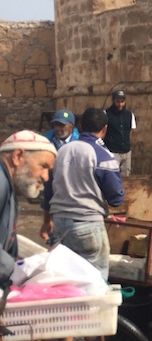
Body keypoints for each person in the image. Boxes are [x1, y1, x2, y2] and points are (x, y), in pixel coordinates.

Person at [41, 108, 124, 281]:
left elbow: (48, 191)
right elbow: (116, 199)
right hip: (87, 224)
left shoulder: (61, 152)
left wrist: (46, 220)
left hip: (60, 223)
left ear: (79, 126)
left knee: (66, 277)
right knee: (95, 280)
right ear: (104, 128)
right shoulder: (103, 156)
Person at [0, 131, 57, 291]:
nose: (46, 177)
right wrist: (17, 272)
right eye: (43, 166)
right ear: (18, 156)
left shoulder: (10, 190)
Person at [104, 89, 136, 177]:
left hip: (126, 152)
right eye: (118, 102)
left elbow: (131, 131)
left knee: (126, 176)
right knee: (112, 176)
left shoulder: (129, 114)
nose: (120, 104)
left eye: (122, 102)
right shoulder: (106, 114)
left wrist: (127, 145)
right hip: (113, 151)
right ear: (113, 101)